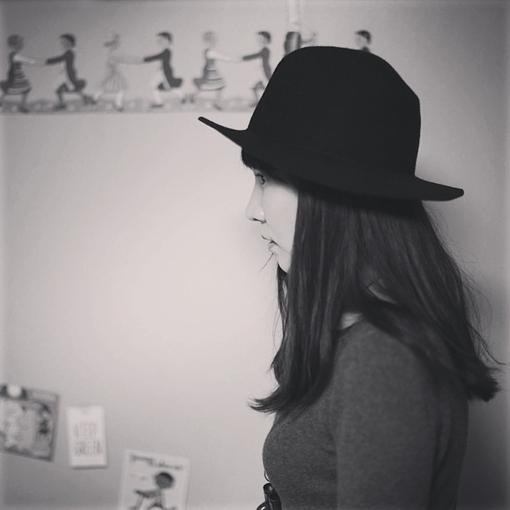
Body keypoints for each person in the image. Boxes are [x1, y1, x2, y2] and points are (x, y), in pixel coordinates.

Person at [198, 47, 502, 509]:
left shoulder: (382, 359)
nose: (252, 211)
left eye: (263, 179)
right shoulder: (357, 339)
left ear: (331, 198)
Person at [188, 31, 239, 110]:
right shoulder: (210, 52)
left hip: (210, 70)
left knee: (213, 85)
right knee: (218, 85)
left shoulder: (209, 50)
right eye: (213, 39)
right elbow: (222, 57)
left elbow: (220, 56)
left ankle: (194, 97)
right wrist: (233, 59)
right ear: (209, 40)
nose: (215, 41)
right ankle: (195, 97)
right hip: (210, 70)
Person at [45, 33, 94, 110]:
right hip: (65, 75)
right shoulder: (67, 52)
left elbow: (59, 59)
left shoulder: (69, 53)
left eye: (63, 42)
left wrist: (46, 61)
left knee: (61, 89)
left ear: (70, 43)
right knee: (65, 89)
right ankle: (87, 99)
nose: (61, 44)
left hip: (68, 75)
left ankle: (63, 104)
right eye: (61, 42)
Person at [141, 31, 184, 108]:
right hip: (162, 72)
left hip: (164, 72)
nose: (159, 42)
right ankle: (180, 97)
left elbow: (158, 56)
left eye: (161, 40)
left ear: (167, 40)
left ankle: (182, 97)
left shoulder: (167, 51)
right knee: (158, 86)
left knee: (164, 86)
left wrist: (145, 59)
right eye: (158, 40)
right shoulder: (166, 51)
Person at [0, 34, 40, 113]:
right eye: (20, 43)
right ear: (13, 45)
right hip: (15, 75)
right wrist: (32, 61)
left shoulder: (15, 54)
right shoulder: (14, 55)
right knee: (10, 88)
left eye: (21, 43)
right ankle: (22, 106)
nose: (22, 45)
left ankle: (22, 105)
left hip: (18, 74)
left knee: (25, 88)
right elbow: (24, 59)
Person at [241, 31, 272, 107]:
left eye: (260, 38)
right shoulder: (261, 49)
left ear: (266, 40)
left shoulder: (265, 50)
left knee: (263, 85)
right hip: (259, 72)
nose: (258, 40)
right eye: (258, 38)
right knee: (253, 86)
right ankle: (257, 101)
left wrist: (243, 58)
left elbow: (256, 56)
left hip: (264, 72)